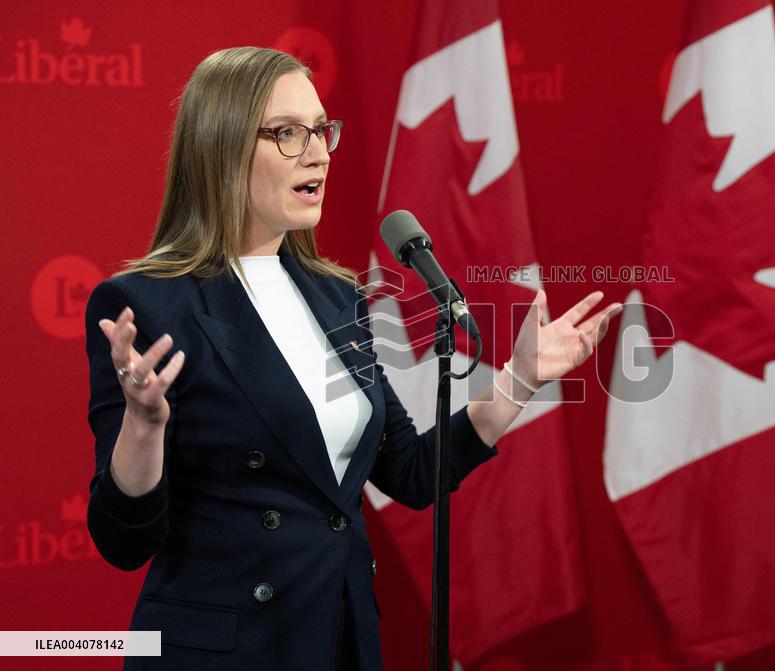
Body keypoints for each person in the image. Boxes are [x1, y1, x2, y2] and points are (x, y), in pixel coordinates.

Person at [85, 46, 621, 670]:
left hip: (340, 639)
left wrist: (520, 378)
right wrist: (144, 427)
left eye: (321, 130)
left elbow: (411, 473)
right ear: (222, 147)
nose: (317, 152)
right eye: (287, 133)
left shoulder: (337, 297)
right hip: (227, 652)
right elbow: (123, 541)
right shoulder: (147, 304)